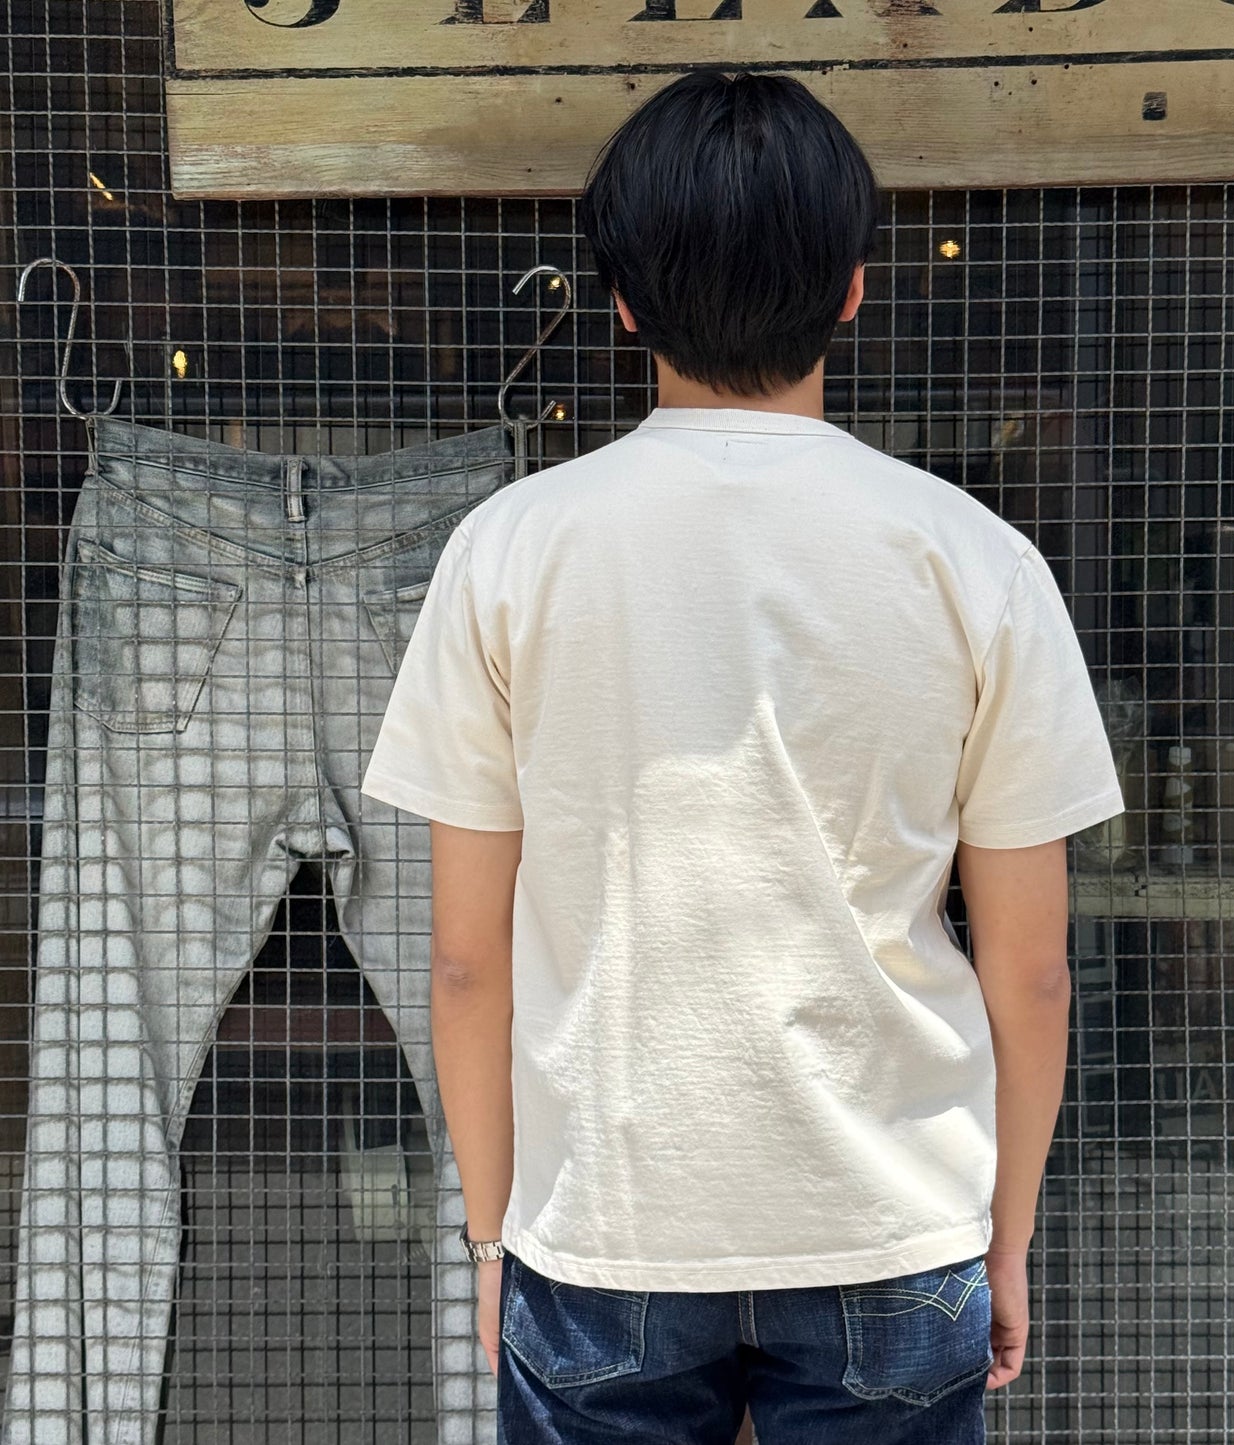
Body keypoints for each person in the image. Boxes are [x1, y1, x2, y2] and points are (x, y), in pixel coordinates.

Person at [361, 69, 1124, 1445]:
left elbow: (466, 963)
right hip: (896, 1221)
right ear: (853, 289)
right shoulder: (976, 561)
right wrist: (1004, 1235)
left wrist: (491, 1237)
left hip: (604, 1226)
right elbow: (1030, 970)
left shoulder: (508, 552)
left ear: (620, 301)